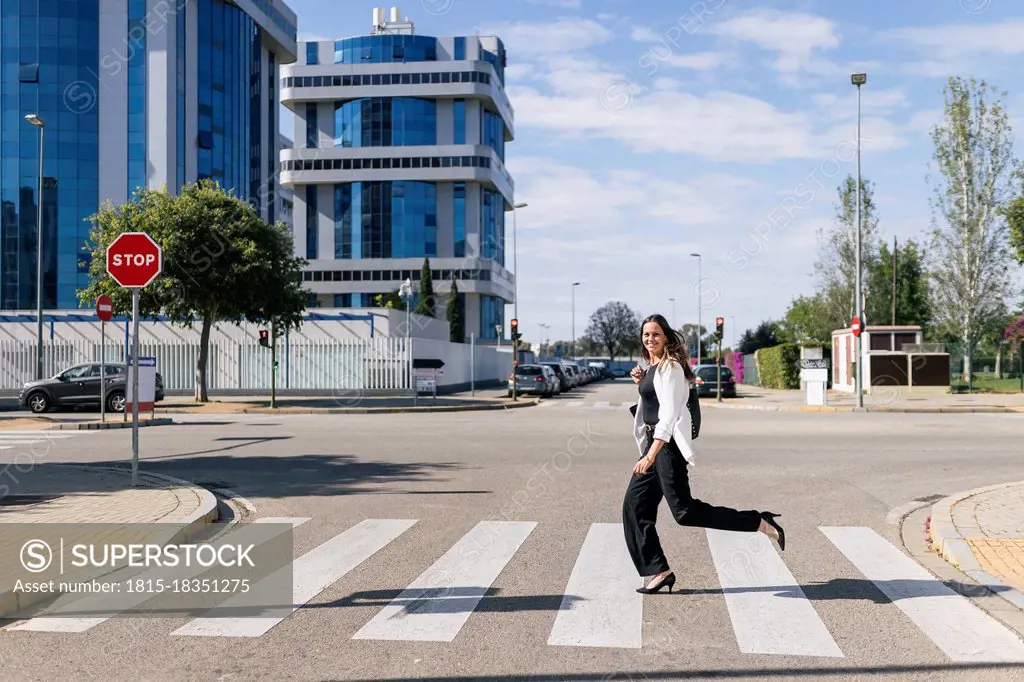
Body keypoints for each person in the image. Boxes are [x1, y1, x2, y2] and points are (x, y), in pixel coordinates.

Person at [622, 313, 784, 594]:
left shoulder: (671, 367)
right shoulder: (653, 366)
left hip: (666, 448)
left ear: (666, 336)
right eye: (646, 335)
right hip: (653, 445)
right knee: (634, 507)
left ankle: (758, 522)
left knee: (684, 512)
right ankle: (659, 570)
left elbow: (670, 415)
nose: (650, 339)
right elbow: (655, 403)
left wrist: (651, 456)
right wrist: (641, 383)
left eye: (656, 334)